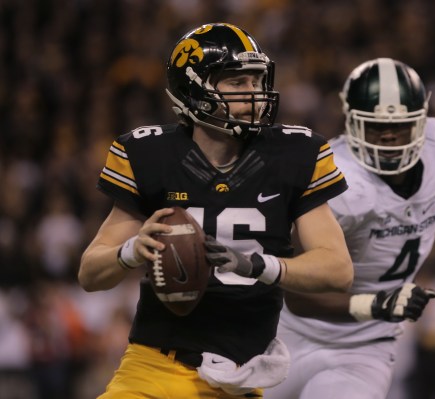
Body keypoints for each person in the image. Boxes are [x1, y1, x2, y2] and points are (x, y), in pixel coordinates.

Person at [78, 22, 353, 399]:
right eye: (237, 83)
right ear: (194, 91)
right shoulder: (149, 155)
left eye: (256, 81)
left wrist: (255, 264)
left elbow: (338, 270)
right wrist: (129, 252)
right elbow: (90, 273)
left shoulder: (294, 154)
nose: (253, 93)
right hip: (154, 369)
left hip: (238, 378)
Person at [265, 58, 435, 399]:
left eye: (400, 125)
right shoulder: (339, 179)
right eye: (375, 126)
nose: (389, 135)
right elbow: (297, 294)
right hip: (288, 335)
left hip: (364, 348)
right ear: (352, 123)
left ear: (421, 121)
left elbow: (426, 206)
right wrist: (377, 305)